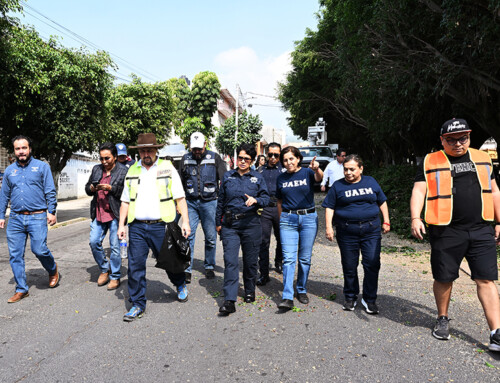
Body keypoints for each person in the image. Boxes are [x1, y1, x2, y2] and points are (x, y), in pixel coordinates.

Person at [410, 118, 500, 351]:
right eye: (452, 139)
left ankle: (496, 332)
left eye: (463, 138)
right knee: (444, 277)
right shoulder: (431, 160)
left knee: (486, 278)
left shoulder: (482, 158)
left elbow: (494, 191)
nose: (458, 143)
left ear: (469, 137)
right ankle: (442, 318)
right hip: (445, 229)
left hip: (481, 229)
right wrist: (415, 217)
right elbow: (419, 190)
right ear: (442, 140)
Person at [118, 133, 191, 322]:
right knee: (135, 267)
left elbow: (180, 197)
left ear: (156, 150)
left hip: (162, 225)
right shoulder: (133, 170)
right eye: (143, 150)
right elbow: (125, 201)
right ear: (139, 152)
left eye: (150, 149)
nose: (146, 153)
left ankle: (180, 283)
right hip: (137, 227)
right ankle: (137, 304)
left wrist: (186, 222)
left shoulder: (167, 168)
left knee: (170, 262)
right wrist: (121, 225)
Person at [323, 154, 390, 314]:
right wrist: (328, 227)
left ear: (361, 169)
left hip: (371, 230)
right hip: (347, 231)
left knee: (372, 264)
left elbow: (382, 201)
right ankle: (350, 296)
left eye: (352, 169)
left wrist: (386, 220)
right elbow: (329, 207)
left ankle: (369, 299)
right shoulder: (338, 186)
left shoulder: (371, 181)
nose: (348, 172)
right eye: (345, 169)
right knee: (349, 266)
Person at [0, 135, 60, 303]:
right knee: (15, 255)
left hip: (37, 216)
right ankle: (21, 289)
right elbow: (4, 195)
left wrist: (52, 211)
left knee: (39, 249)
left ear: (30, 149)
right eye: (18, 149)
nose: (21, 151)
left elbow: (50, 190)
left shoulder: (42, 167)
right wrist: (1, 215)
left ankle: (52, 269)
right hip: (16, 218)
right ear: (14, 151)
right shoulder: (10, 171)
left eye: (24, 148)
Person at [216, 143, 270, 315]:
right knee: (231, 261)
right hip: (230, 225)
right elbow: (220, 201)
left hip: (251, 224)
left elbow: (266, 198)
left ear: (252, 160)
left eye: (247, 159)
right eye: (240, 158)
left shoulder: (257, 178)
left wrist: (256, 200)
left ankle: (249, 289)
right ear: (236, 158)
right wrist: (218, 223)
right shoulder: (227, 176)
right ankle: (229, 300)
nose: (243, 161)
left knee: (250, 260)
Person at [276, 146, 323, 311]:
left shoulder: (307, 172)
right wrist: (283, 217)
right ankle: (287, 296)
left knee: (304, 259)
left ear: (298, 159)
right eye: (286, 160)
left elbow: (319, 177)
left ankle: (301, 289)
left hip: (309, 219)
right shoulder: (280, 178)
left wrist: (317, 169)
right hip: (288, 219)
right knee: (288, 259)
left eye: (291, 158)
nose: (289, 162)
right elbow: (279, 201)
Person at [179, 132, 227, 282]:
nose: (197, 151)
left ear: (205, 144)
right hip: (190, 203)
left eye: (199, 148)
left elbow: (224, 179)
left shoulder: (214, 157)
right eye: (194, 149)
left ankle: (209, 266)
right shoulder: (185, 159)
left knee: (211, 237)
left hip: (210, 202)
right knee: (188, 235)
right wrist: (178, 203)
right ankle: (187, 268)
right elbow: (180, 182)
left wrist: (223, 203)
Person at [85, 142, 128, 290]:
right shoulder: (97, 169)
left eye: (107, 158)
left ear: (115, 157)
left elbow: (127, 193)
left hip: (116, 214)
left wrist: (111, 188)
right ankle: (105, 268)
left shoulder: (123, 171)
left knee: (115, 247)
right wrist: (91, 188)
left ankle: (115, 276)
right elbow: (87, 187)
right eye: (102, 158)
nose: (104, 162)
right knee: (93, 242)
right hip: (99, 213)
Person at [257, 142, 285, 284]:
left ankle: (279, 261)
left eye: (276, 155)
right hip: (265, 209)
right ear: (267, 154)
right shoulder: (260, 171)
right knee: (263, 241)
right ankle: (263, 273)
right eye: (270, 154)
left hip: (281, 208)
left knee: (282, 238)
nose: (273, 157)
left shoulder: (285, 170)